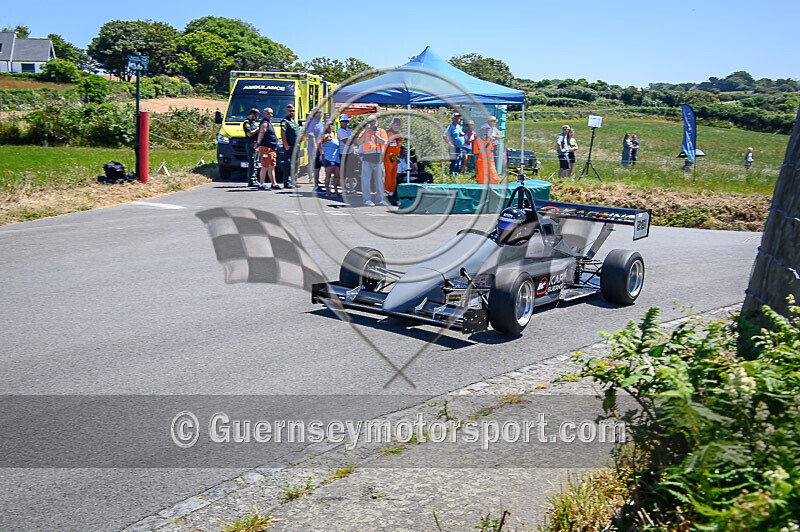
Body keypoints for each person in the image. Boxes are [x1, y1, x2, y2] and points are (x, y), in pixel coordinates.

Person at [356, 114, 389, 206]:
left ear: (377, 122)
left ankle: (379, 200)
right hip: (367, 159)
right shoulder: (364, 132)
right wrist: (366, 131)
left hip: (378, 159)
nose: (372, 124)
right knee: (366, 181)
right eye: (370, 122)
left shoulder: (381, 131)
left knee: (380, 181)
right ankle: (367, 200)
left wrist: (375, 134)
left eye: (373, 122)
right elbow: (358, 142)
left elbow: (385, 142)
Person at [256, 107, 280, 190]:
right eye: (269, 113)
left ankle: (274, 183)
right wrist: (258, 143)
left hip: (271, 148)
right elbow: (261, 134)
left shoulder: (269, 122)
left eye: (272, 113)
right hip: (266, 148)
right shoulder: (264, 123)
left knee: (272, 166)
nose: (271, 115)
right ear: (264, 114)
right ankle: (261, 184)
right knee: (265, 166)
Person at [280, 104, 299, 189]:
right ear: (286, 111)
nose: (292, 112)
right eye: (290, 111)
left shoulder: (294, 122)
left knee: (295, 164)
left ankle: (293, 181)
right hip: (289, 146)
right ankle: (287, 182)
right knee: (289, 164)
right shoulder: (285, 121)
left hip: (296, 146)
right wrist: (285, 144)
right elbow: (283, 133)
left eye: (293, 111)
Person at [305, 109, 324, 191]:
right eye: (319, 113)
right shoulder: (312, 123)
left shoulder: (320, 123)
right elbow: (311, 136)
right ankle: (314, 182)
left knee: (319, 166)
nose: (320, 114)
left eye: (321, 113)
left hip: (321, 148)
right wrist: (316, 148)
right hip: (314, 148)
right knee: (315, 166)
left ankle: (317, 179)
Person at [320, 124, 341, 196]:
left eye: (332, 125)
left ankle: (335, 190)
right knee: (328, 175)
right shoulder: (325, 135)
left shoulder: (334, 134)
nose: (331, 127)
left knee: (336, 175)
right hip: (328, 157)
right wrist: (322, 154)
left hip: (336, 157)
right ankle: (328, 191)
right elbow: (320, 143)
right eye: (329, 125)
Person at [383, 117, 403, 196]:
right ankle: (386, 191)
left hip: (395, 158)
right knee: (388, 175)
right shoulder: (389, 133)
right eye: (395, 124)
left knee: (393, 176)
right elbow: (385, 145)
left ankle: (391, 191)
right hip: (388, 158)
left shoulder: (398, 135)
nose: (396, 126)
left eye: (398, 124)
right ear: (391, 124)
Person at [242, 108, 260, 187]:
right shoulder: (246, 123)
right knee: (252, 162)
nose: (256, 118)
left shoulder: (253, 123)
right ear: (252, 114)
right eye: (255, 116)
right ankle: (251, 180)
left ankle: (255, 179)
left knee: (255, 162)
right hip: (250, 144)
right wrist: (257, 129)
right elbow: (249, 133)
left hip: (255, 145)